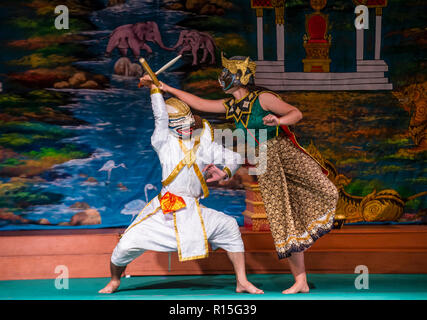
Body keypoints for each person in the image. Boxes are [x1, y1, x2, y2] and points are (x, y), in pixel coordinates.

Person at [140, 54, 339, 294]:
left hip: (284, 153)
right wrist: (164, 87)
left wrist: (278, 120)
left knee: (325, 191)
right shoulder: (231, 106)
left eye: (227, 72)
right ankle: (301, 280)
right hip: (265, 161)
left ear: (240, 77)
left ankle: (305, 255)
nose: (222, 77)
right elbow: (200, 103)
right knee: (283, 218)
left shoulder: (262, 98)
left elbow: (296, 113)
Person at [99, 79, 264, 294]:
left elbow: (233, 157)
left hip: (192, 210)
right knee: (126, 244)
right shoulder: (163, 141)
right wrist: (155, 91)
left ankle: (241, 281)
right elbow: (159, 116)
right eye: (181, 126)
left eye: (189, 124)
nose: (187, 128)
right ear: (172, 126)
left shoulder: (203, 142)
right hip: (166, 208)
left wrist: (225, 172)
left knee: (229, 226)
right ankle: (114, 280)